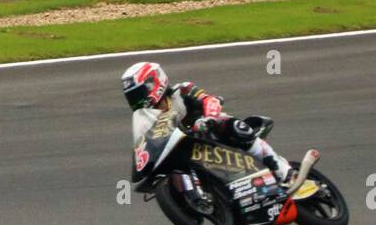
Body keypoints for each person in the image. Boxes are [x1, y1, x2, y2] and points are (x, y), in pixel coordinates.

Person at [121, 61, 295, 184]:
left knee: (236, 127)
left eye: (138, 94)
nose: (137, 101)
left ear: (154, 83)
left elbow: (209, 99)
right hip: (186, 150)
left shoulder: (182, 90)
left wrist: (209, 117)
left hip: (210, 132)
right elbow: (144, 142)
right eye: (132, 98)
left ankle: (284, 171)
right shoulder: (147, 118)